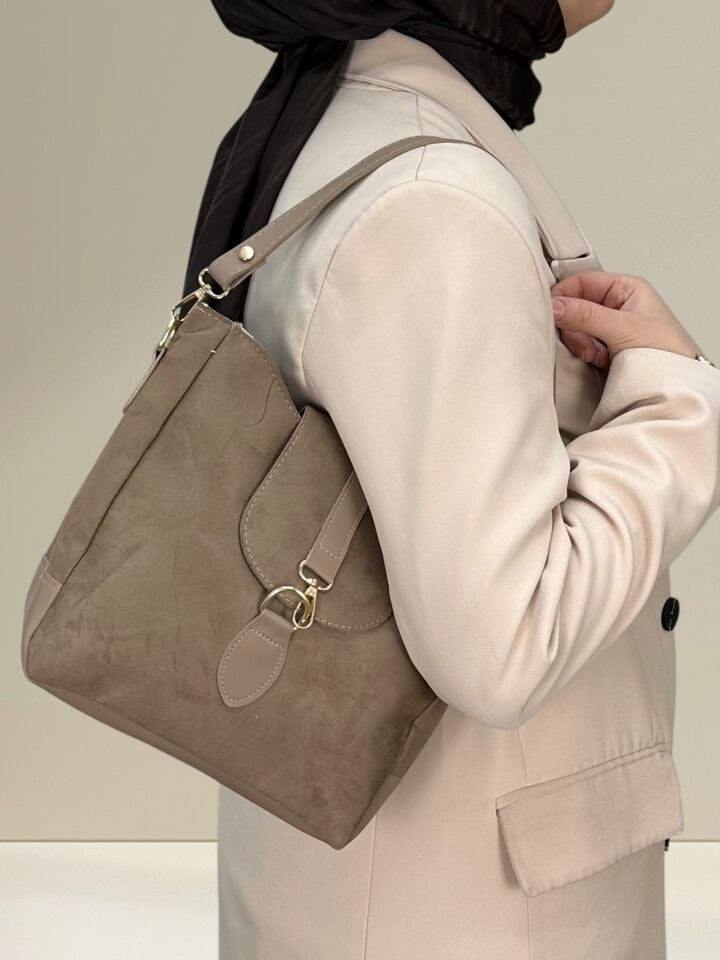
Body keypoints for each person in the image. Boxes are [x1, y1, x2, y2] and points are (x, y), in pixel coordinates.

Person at [182, 3, 720, 958]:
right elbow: (501, 647)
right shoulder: (435, 201)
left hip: (404, 882)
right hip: (469, 911)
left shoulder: (343, 123)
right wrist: (679, 407)